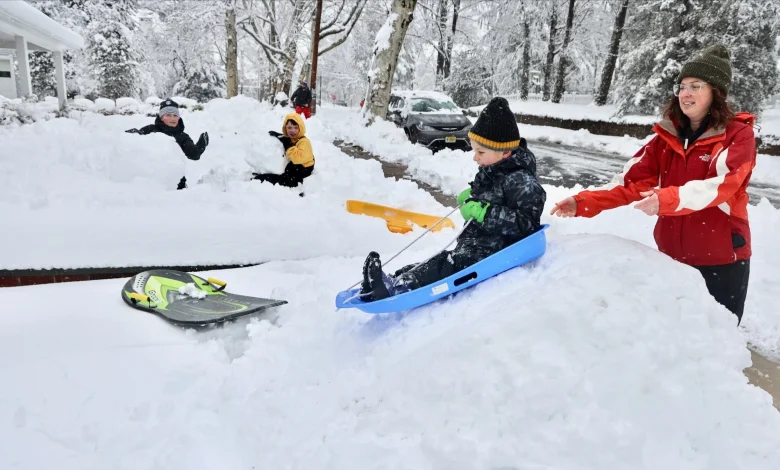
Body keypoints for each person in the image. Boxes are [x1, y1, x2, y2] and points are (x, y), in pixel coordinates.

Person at [549, 44, 756, 325]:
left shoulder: (738, 136)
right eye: (682, 86)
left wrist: (667, 198)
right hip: (672, 258)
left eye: (696, 86)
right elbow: (631, 182)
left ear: (716, 93)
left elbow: (721, 187)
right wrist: (585, 201)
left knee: (718, 342)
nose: (685, 93)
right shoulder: (666, 138)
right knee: (674, 339)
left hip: (721, 258)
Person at [359, 97, 547, 301]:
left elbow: (527, 224)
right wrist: (472, 197)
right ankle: (392, 280)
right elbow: (488, 196)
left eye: (481, 152)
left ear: (505, 152)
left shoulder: (523, 182)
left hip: (497, 249)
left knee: (448, 266)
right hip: (478, 241)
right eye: (475, 151)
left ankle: (399, 288)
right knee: (441, 260)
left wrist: (484, 213)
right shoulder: (491, 168)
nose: (475, 157)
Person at [125, 99, 209, 189]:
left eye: (175, 115)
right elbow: (137, 139)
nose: (172, 118)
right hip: (152, 179)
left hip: (176, 182)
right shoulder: (150, 130)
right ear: (161, 117)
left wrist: (200, 146)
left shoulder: (183, 137)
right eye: (168, 115)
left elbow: (193, 154)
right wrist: (134, 133)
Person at [253, 112, 315, 188]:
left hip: (304, 169)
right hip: (297, 166)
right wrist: (279, 136)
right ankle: (264, 175)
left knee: (284, 180)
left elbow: (298, 158)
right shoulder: (293, 138)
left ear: (301, 128)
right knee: (286, 171)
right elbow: (286, 139)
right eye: (289, 128)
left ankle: (264, 179)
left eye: (296, 127)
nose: (292, 130)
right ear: (285, 128)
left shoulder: (304, 142)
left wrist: (289, 145)